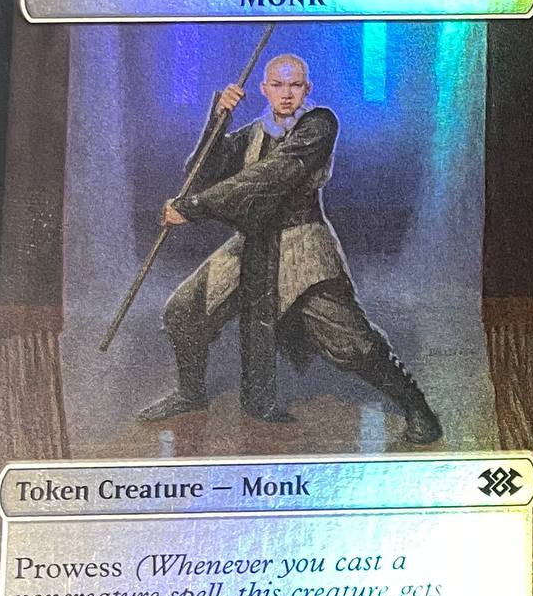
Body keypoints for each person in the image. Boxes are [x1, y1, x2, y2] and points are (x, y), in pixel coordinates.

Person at [140, 53, 440, 444]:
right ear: (264, 89)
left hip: (303, 246)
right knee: (183, 310)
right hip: (254, 243)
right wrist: (217, 120)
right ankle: (190, 394)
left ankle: (419, 410)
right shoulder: (253, 133)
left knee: (351, 343)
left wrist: (193, 208)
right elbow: (199, 174)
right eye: (278, 85)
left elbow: (271, 176)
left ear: (306, 89)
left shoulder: (319, 125)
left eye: (295, 85)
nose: (286, 94)